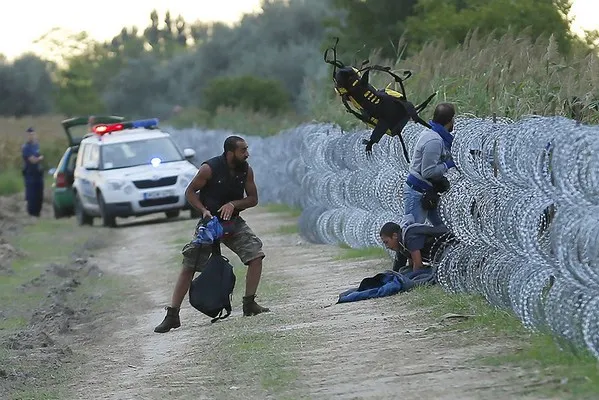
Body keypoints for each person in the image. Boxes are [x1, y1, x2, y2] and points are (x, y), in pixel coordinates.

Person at [154, 135, 270, 333]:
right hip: (210, 224)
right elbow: (190, 192)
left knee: (256, 255)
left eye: (247, 149)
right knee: (189, 265)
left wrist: (234, 204)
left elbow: (253, 199)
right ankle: (172, 315)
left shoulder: (246, 171)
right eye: (243, 150)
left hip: (232, 223)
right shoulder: (209, 168)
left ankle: (249, 304)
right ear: (230, 152)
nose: (247, 154)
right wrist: (203, 210)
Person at [403, 103, 457, 227]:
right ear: (450, 120)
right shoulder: (434, 140)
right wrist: (448, 165)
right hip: (417, 192)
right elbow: (428, 172)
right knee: (412, 232)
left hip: (427, 191)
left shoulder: (435, 134)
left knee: (443, 229)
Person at [379, 216, 457, 274]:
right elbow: (410, 264)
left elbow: (418, 265)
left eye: (386, 242)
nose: (387, 246)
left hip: (452, 246)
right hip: (443, 253)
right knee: (404, 271)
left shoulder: (409, 236)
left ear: (394, 236)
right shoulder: (402, 242)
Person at [21, 127, 45, 217]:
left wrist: (38, 158)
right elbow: (33, 160)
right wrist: (39, 158)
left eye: (33, 134)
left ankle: (38, 212)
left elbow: (38, 156)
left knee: (39, 194)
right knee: (31, 195)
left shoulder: (36, 145)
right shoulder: (26, 147)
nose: (31, 136)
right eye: (29, 135)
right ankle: (32, 213)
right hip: (30, 174)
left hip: (38, 173)